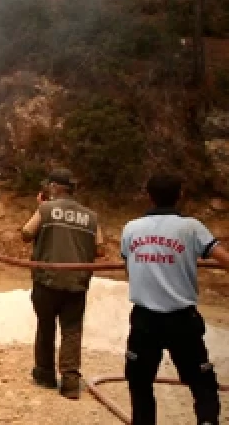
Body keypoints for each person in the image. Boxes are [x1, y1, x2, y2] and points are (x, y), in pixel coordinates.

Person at [120, 174, 229, 425]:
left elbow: (129, 269)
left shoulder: (131, 228)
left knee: (140, 385)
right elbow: (223, 258)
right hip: (182, 321)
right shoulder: (191, 228)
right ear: (180, 196)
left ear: (148, 196)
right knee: (203, 385)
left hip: (145, 321)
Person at [19, 168, 104, 400]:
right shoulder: (91, 216)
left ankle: (45, 374)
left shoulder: (45, 209)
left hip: (46, 280)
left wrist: (40, 207)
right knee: (72, 329)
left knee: (46, 325)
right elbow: (100, 249)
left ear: (54, 188)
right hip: (77, 282)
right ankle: (70, 381)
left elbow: (26, 233)